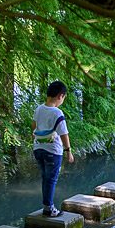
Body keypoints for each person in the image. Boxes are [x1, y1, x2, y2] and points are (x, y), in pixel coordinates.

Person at [32, 80, 75, 218]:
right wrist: (68, 151)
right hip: (52, 151)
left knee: (45, 177)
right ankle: (49, 208)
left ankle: (47, 206)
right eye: (63, 97)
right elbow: (64, 134)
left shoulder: (39, 109)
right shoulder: (57, 113)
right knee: (51, 179)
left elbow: (33, 126)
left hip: (38, 149)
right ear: (60, 96)